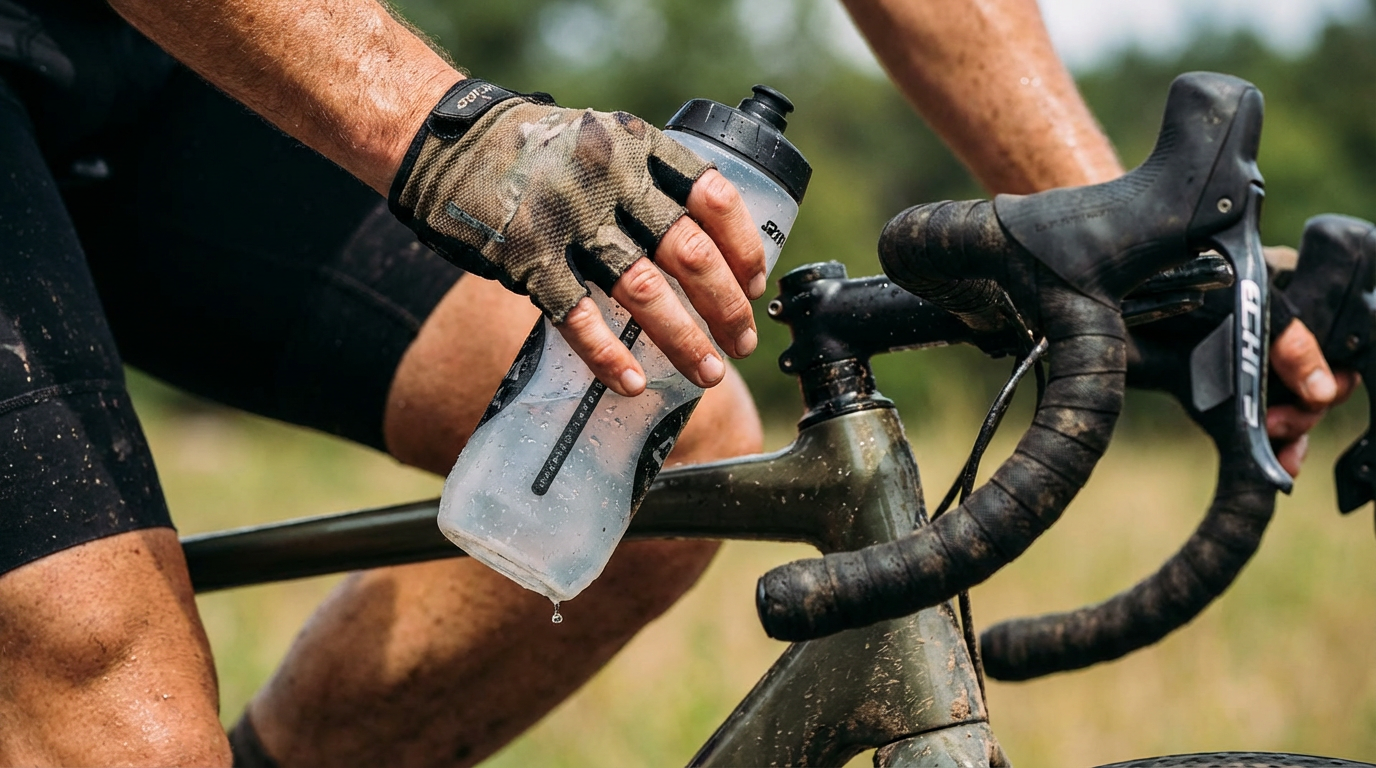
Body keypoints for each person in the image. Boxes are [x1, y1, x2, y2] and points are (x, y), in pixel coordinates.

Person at [0, 0, 1352, 765]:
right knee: (120, 716)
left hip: (168, 53)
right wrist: (455, 136)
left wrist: (1121, 245)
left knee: (660, 456)